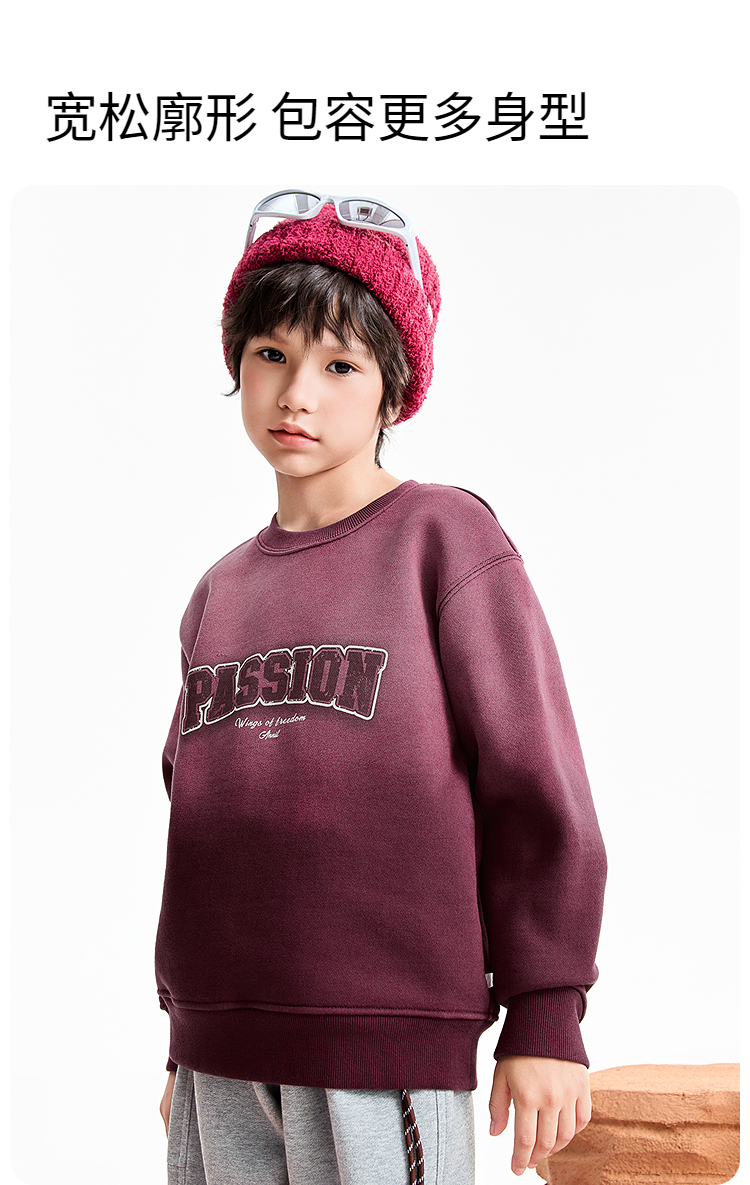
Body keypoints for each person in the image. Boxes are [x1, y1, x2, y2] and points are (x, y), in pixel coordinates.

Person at [155, 190, 607, 1184]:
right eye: (270, 354)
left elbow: (534, 781)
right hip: (217, 1055)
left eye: (339, 365)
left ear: (394, 391)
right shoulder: (219, 591)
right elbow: (197, 810)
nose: (297, 394)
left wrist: (545, 1014)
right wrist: (186, 1033)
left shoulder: (444, 541)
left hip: (382, 1044)